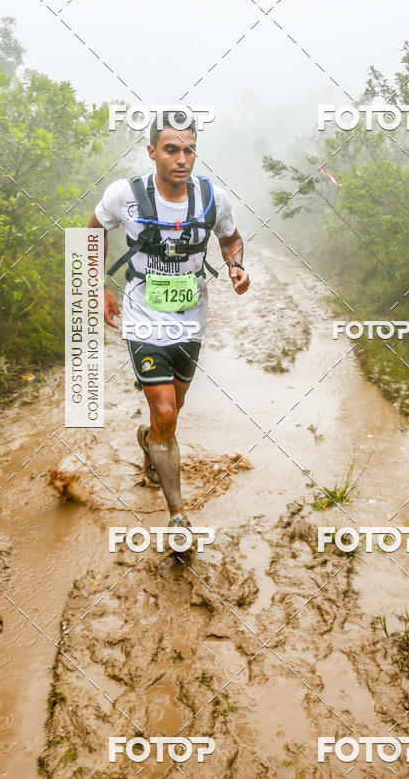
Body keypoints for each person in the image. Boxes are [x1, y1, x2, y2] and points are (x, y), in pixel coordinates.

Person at [88, 111, 250, 530]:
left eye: (189, 150)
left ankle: (150, 440)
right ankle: (178, 516)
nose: (181, 159)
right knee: (163, 409)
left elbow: (231, 238)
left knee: (173, 408)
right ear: (152, 152)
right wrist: (99, 287)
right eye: (171, 149)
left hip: (191, 314)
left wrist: (235, 265)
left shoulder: (213, 198)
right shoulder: (124, 195)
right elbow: (92, 233)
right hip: (142, 310)